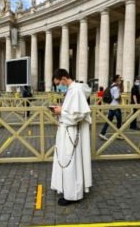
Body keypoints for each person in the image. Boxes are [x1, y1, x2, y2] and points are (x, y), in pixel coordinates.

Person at [50, 68, 92, 206]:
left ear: (63, 78)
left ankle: (73, 194)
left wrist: (61, 111)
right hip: (66, 131)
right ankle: (67, 189)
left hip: (72, 132)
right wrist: (60, 110)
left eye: (58, 83)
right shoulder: (71, 90)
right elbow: (71, 110)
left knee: (71, 162)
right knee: (66, 161)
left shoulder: (76, 90)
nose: (58, 86)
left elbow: (78, 115)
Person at [99, 75, 122, 140]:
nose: (120, 80)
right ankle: (118, 134)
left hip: (111, 105)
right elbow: (116, 97)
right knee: (119, 120)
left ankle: (102, 133)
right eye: (119, 79)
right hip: (116, 106)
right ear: (117, 79)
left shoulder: (111, 85)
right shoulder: (116, 88)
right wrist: (120, 94)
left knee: (109, 121)